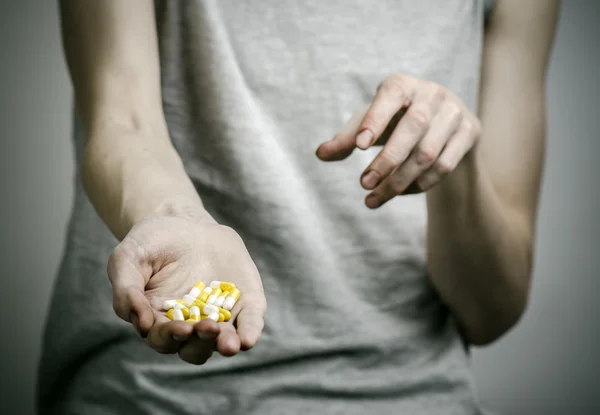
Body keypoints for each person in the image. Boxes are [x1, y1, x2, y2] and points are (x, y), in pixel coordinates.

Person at [37, 0, 559, 413]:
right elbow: (122, 118)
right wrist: (181, 221)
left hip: (404, 395)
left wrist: (451, 163)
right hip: (148, 393)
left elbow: (493, 311)